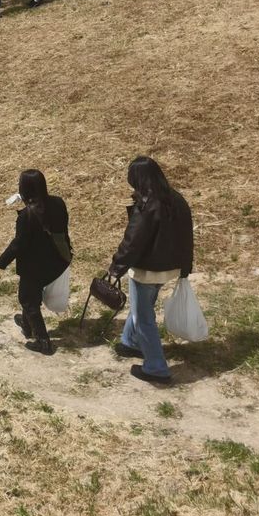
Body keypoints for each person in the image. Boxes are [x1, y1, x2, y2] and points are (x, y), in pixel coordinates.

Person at [109, 155, 194, 385]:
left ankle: (156, 368)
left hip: (147, 270)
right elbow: (187, 235)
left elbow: (133, 241)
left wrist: (116, 265)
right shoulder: (176, 199)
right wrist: (186, 266)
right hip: (169, 267)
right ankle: (130, 342)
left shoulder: (148, 204)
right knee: (142, 307)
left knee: (143, 317)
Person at [0, 168, 71, 356]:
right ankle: (27, 325)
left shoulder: (27, 216)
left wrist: (2, 262)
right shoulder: (58, 203)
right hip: (57, 260)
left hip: (33, 266)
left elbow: (19, 244)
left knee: (28, 300)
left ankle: (43, 341)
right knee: (30, 296)